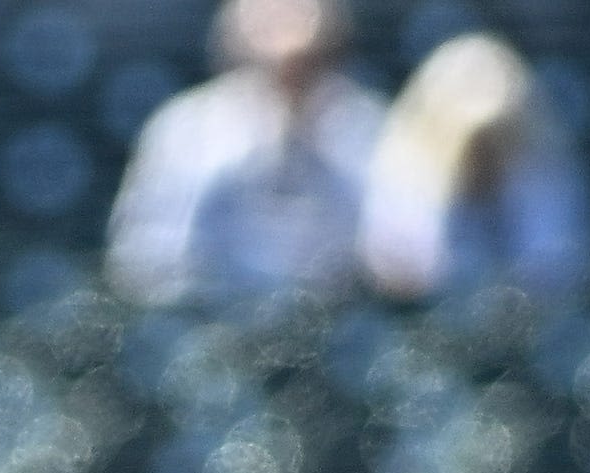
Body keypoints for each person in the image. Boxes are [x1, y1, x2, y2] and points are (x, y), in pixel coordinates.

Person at [106, 0, 384, 308]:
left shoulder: (367, 126)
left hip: (335, 321)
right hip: (211, 323)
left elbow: (397, 256)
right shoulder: (186, 128)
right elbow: (146, 259)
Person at [359, 33, 590, 306]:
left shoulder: (544, 174)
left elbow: (558, 272)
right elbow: (397, 272)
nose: (482, 150)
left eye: (493, 139)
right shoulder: (404, 169)